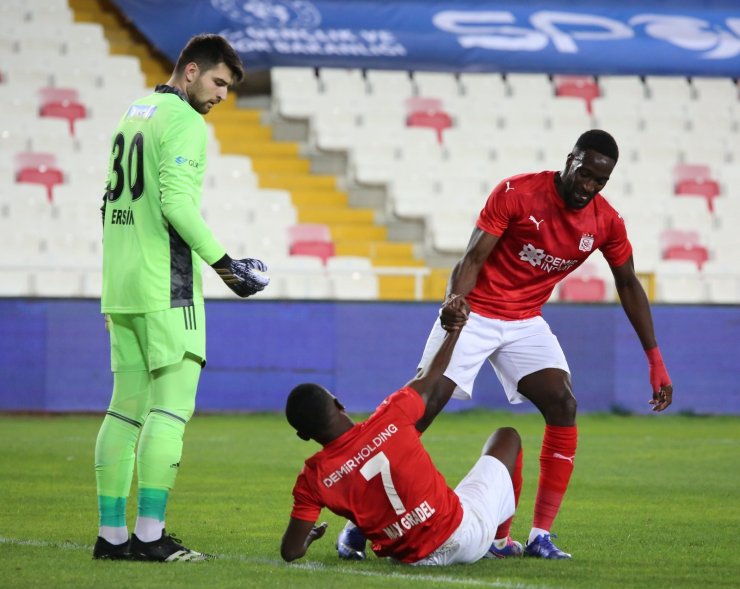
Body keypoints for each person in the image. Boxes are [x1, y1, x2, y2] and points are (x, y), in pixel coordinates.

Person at [337, 129, 673, 561]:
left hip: (524, 321)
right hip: (475, 312)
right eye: (584, 174)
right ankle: (357, 526)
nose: (587, 187)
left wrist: (655, 359)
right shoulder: (518, 192)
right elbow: (472, 258)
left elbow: (628, 283)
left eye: (599, 182)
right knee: (418, 413)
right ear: (569, 159)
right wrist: (453, 302)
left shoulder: (605, 221)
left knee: (563, 404)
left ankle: (540, 536)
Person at [92, 34, 270, 562]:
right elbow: (176, 205)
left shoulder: (134, 112)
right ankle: (150, 535)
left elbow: (108, 203)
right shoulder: (186, 121)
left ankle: (112, 537)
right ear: (190, 71)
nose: (220, 96)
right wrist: (226, 265)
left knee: (124, 411)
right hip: (166, 287)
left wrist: (118, 276)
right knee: (170, 410)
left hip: (121, 284)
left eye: (229, 89)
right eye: (218, 82)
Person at [280, 316, 526, 566]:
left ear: (304, 435)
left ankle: (354, 533)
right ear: (338, 403)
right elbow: (433, 374)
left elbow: (290, 551)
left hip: (409, 559)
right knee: (507, 437)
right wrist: (454, 330)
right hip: (463, 536)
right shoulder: (391, 416)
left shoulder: (312, 478)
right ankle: (499, 544)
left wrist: (308, 538)